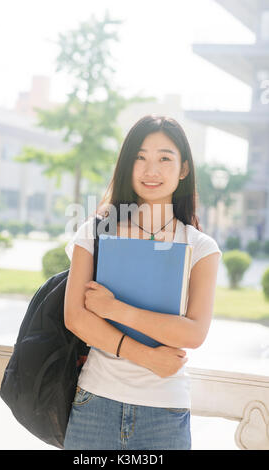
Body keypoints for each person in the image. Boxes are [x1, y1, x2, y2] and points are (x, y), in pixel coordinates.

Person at [63, 115, 222, 450]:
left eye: (165, 158)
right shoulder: (96, 231)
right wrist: (145, 356)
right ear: (127, 166)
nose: (152, 170)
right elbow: (76, 317)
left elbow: (193, 333)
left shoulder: (200, 247)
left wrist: (115, 309)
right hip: (95, 402)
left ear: (183, 170)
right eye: (140, 157)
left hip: (165, 412)